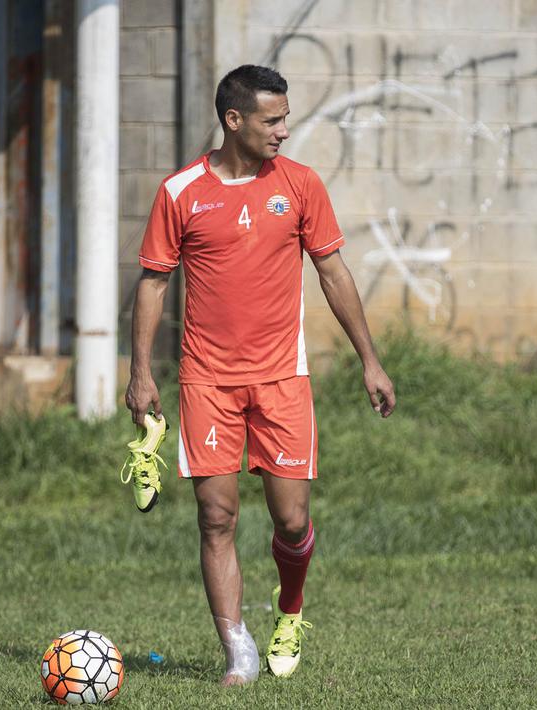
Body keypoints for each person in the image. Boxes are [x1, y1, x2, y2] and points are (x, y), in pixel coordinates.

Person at [123, 64, 396, 686]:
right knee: (216, 517)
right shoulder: (180, 190)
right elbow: (154, 283)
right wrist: (141, 375)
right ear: (233, 120)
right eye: (273, 120)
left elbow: (333, 272)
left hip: (282, 379)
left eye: (286, 117)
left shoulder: (299, 185)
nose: (284, 130)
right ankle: (238, 649)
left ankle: (290, 612)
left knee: (292, 522)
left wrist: (370, 361)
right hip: (206, 381)